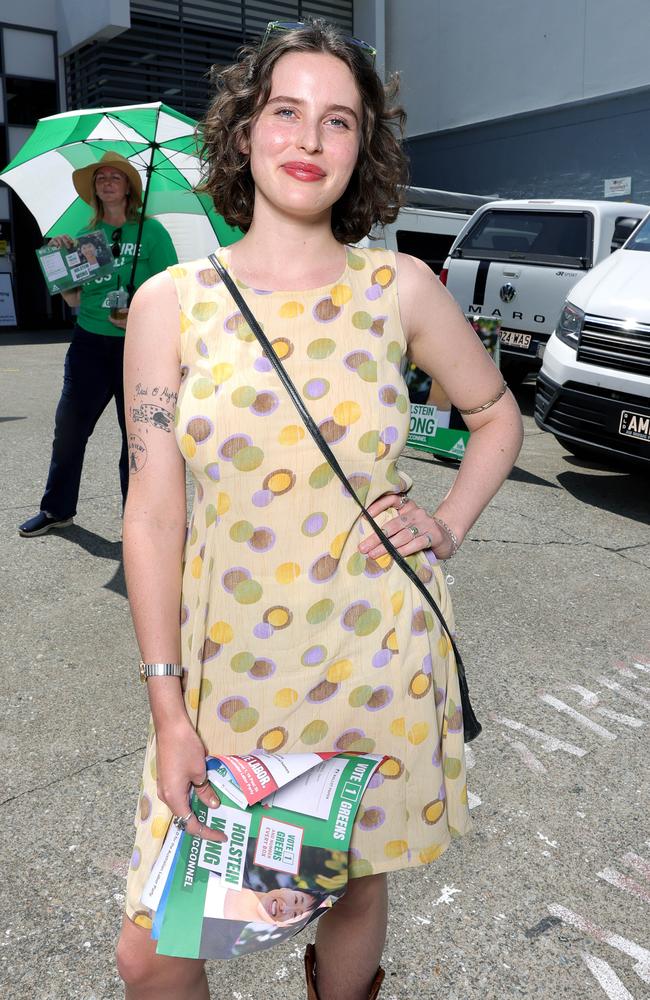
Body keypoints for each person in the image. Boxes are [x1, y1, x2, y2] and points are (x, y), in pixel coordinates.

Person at [117, 20, 523, 1000]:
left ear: (362, 148)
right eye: (286, 110)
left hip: (371, 654)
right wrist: (168, 707)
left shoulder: (399, 289)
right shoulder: (172, 303)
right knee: (155, 947)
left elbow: (493, 412)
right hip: (230, 674)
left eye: (338, 119)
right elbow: (153, 516)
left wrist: (448, 523)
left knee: (347, 881)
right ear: (245, 131)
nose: (309, 137)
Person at [18, 151, 178, 537]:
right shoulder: (83, 237)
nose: (107, 182)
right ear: (95, 189)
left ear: (128, 190)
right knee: (69, 429)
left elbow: (173, 286)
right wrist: (60, 259)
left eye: (116, 177)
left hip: (139, 348)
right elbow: (73, 299)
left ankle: (136, 520)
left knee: (136, 437)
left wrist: (136, 304)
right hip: (89, 344)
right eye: (101, 177)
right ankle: (57, 510)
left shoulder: (151, 233)